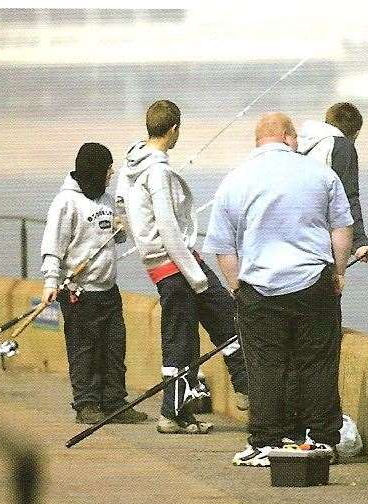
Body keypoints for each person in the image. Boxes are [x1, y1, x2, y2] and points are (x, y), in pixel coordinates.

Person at [203, 112, 353, 467]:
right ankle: (320, 439)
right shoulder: (320, 173)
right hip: (312, 281)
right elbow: (341, 228)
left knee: (264, 366)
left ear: (259, 140)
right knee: (317, 362)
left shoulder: (235, 180)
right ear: (288, 137)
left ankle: (265, 440)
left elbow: (224, 247)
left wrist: (237, 287)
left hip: (258, 286)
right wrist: (338, 272)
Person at [115, 100, 249, 435]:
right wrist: (197, 277)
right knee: (195, 330)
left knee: (192, 334)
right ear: (174, 128)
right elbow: (170, 229)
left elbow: (120, 203)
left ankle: (185, 410)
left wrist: (135, 230)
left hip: (162, 264)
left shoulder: (131, 163)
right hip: (176, 264)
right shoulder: (157, 172)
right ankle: (180, 410)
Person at [40, 142, 148, 425]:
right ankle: (86, 404)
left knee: (114, 347)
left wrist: (121, 229)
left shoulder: (106, 200)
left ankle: (114, 402)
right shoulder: (66, 203)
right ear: (94, 171)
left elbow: (116, 238)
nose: (111, 174)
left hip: (108, 291)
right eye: (107, 169)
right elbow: (53, 246)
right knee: (83, 349)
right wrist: (51, 281)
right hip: (79, 293)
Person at [297, 102, 368, 262]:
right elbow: (348, 196)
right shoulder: (342, 146)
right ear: (356, 133)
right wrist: (359, 242)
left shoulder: (299, 144)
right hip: (316, 241)